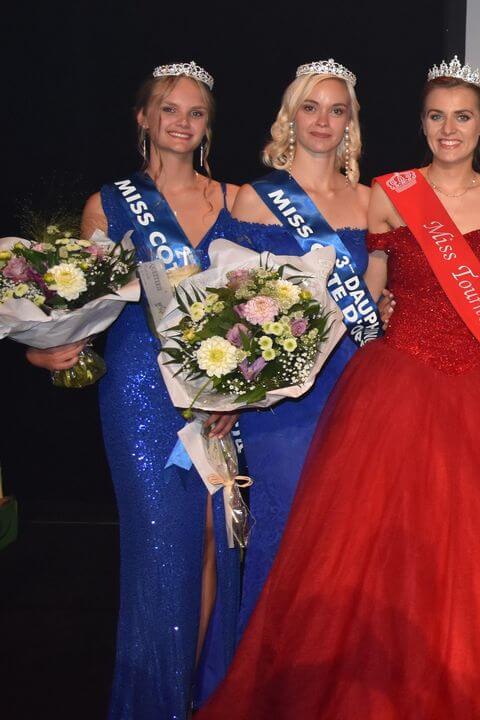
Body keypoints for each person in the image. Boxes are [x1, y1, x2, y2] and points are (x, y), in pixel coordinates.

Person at [197, 59, 480, 719]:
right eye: (436, 116)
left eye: (463, 117)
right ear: (421, 122)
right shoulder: (388, 191)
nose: (449, 129)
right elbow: (370, 287)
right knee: (376, 545)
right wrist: (297, 342)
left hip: (479, 380)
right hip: (395, 379)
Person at [24, 61, 242, 718]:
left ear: (207, 125)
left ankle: (201, 694)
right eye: (169, 109)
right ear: (144, 118)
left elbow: (252, 301)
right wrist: (46, 351)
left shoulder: (234, 199)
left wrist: (237, 387)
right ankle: (157, 702)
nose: (182, 122)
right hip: (142, 391)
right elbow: (77, 310)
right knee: (160, 547)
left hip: (218, 393)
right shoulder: (110, 202)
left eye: (195, 112)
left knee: (215, 541)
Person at [218, 59, 382, 634]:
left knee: (343, 532)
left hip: (353, 387)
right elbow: (222, 298)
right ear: (290, 116)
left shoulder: (371, 203)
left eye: (337, 110)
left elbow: (388, 291)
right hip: (278, 394)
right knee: (283, 524)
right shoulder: (253, 200)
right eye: (311, 107)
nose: (322, 120)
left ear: (350, 124)